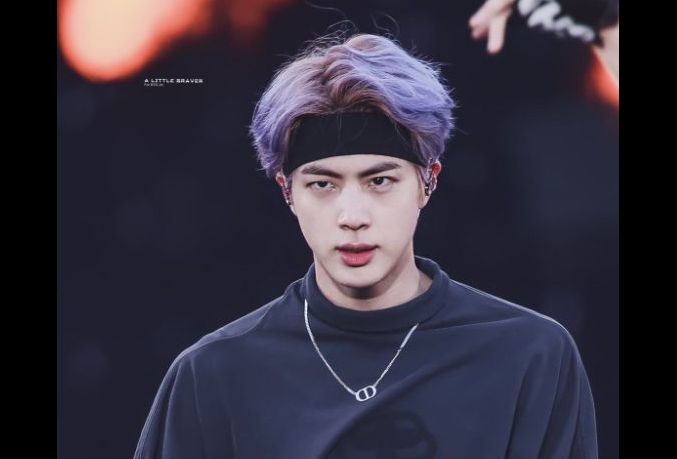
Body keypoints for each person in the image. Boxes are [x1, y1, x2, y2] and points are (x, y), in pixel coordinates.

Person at [133, 31, 598, 458]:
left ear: (428, 182)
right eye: (323, 184)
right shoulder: (214, 374)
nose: (352, 216)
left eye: (379, 181)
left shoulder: (528, 355)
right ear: (287, 192)